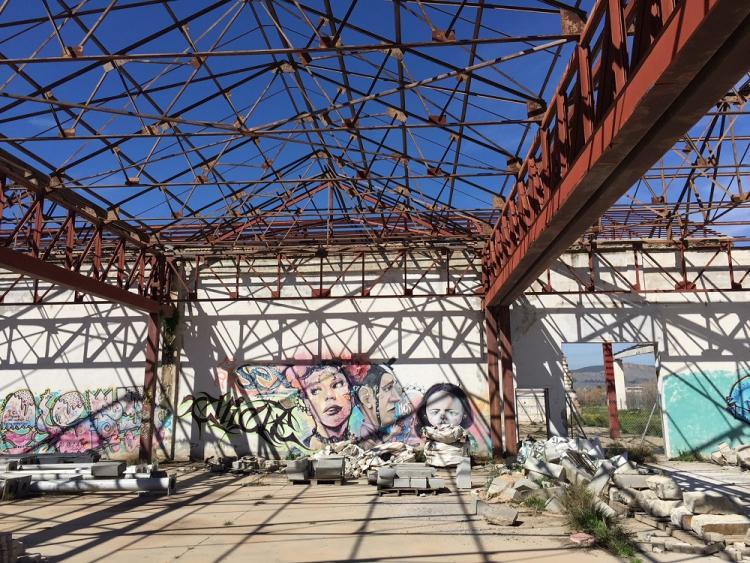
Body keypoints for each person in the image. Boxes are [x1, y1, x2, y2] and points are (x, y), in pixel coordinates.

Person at [354, 365, 417, 447]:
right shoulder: (365, 431)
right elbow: (373, 450)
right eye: (387, 388)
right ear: (366, 399)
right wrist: (392, 434)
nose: (397, 398)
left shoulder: (378, 428)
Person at [298, 365, 354, 449]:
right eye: (315, 391)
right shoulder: (305, 449)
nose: (329, 395)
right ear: (306, 404)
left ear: (352, 395)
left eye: (338, 385)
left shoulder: (361, 438)